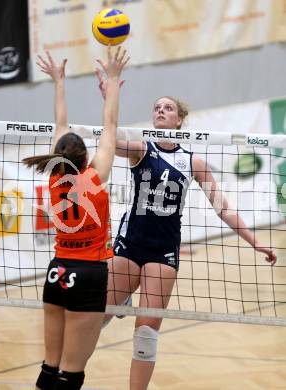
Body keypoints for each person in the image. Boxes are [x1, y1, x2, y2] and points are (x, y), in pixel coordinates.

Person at [96, 74, 277, 390]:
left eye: (168, 108)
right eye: (156, 107)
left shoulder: (194, 162)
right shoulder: (141, 148)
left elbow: (223, 208)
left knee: (146, 336)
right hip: (129, 245)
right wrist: (108, 96)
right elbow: (109, 139)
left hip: (163, 251)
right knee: (94, 317)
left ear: (179, 120)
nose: (160, 111)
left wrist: (255, 241)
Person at [23, 46, 129, 390]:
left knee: (49, 369)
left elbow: (60, 124)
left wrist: (58, 83)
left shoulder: (54, 178)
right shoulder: (95, 178)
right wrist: (112, 79)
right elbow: (110, 124)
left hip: (57, 272)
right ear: (86, 156)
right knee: (71, 375)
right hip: (88, 274)